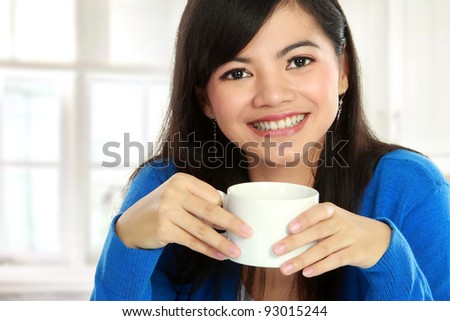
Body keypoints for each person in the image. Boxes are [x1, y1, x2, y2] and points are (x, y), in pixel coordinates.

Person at [90, 0, 450, 301]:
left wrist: (388, 260)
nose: (273, 95)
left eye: (299, 61)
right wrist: (128, 243)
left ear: (342, 70)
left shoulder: (410, 188)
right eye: (236, 73)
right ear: (205, 100)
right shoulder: (163, 191)